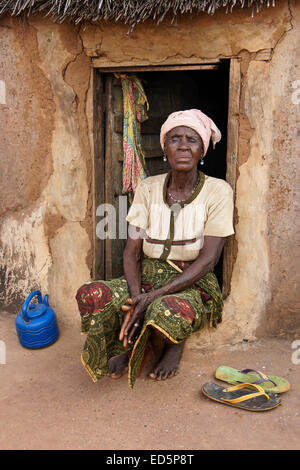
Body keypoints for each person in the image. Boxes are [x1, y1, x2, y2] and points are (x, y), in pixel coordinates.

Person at [76, 109, 234, 389]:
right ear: (165, 148)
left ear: (202, 150)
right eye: (175, 138)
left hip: (191, 280)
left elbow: (209, 260)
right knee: (93, 293)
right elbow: (132, 252)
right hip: (147, 275)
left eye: (192, 140)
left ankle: (174, 345)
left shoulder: (218, 191)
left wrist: (153, 297)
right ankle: (125, 342)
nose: (183, 145)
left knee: (164, 310)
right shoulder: (148, 189)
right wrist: (137, 297)